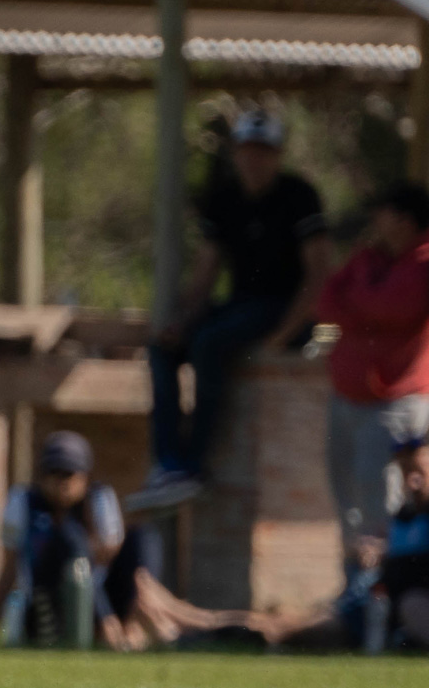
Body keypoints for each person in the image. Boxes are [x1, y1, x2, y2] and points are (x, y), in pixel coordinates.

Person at [128, 109, 333, 513]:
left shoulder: (299, 196)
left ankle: (194, 465)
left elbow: (319, 274)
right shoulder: (223, 199)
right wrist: (180, 322)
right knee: (163, 348)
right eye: (247, 150)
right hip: (240, 306)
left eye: (264, 151)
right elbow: (206, 274)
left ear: (277, 155)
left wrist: (282, 335)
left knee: (209, 344)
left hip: (284, 311)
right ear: (235, 153)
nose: (254, 160)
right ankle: (168, 463)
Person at [317, 181, 429, 585]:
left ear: (404, 219)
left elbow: (393, 307)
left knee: (380, 500)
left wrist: (357, 303)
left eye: (382, 211)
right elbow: (326, 301)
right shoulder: (368, 258)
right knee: (346, 494)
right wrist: (362, 306)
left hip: (394, 404)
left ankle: (383, 592)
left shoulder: (423, 261)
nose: (375, 219)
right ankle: (355, 590)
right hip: (347, 398)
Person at [0, 431, 166, 651]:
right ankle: (108, 628)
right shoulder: (24, 502)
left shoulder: (98, 499)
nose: (61, 483)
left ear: (84, 476)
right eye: (53, 473)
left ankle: (134, 623)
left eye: (68, 474)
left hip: (101, 594)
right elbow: (10, 567)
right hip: (48, 602)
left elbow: (107, 559)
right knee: (68, 537)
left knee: (143, 536)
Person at [250, 436, 429, 650]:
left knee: (412, 604)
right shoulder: (404, 516)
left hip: (413, 601)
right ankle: (264, 633)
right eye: (407, 472)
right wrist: (378, 552)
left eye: (420, 473)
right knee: (315, 624)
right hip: (382, 603)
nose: (413, 481)